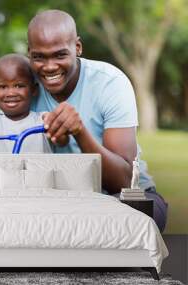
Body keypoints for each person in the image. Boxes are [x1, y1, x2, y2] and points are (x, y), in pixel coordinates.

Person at [27, 10, 168, 232]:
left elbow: (123, 180)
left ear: (78, 48)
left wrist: (79, 131)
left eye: (60, 55)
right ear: (29, 54)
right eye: (39, 57)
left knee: (126, 220)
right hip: (61, 200)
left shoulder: (110, 83)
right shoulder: (22, 88)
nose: (50, 66)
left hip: (123, 198)